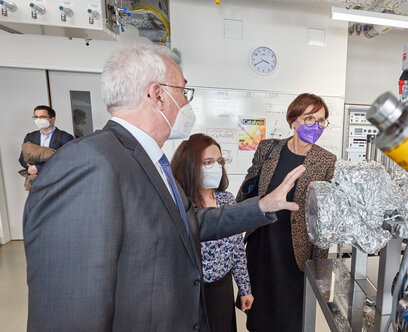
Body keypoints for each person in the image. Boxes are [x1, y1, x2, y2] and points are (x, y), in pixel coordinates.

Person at [22, 45, 305, 332]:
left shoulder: (150, 160)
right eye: (183, 90)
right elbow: (69, 302)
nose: (186, 101)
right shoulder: (90, 161)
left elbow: (189, 223)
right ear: (157, 94)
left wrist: (263, 205)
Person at [239, 93, 337, 331]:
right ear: (293, 120)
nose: (316, 125)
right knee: (260, 315)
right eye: (309, 118)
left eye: (322, 120)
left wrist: (319, 271)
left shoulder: (326, 160)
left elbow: (322, 220)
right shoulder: (268, 148)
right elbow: (248, 188)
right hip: (262, 243)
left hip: (296, 251)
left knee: (291, 316)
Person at [171, 134, 253, 332]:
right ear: (190, 165)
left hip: (222, 289)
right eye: (208, 162)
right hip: (189, 293)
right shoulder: (179, 204)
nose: (216, 167)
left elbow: (237, 249)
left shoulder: (226, 200)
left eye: (219, 161)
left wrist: (245, 289)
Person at [18, 105, 74, 174]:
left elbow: (67, 160)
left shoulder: (65, 137)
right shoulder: (30, 136)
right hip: (36, 180)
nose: (38, 120)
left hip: (57, 178)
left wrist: (38, 168)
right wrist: (31, 168)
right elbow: (22, 158)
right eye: (36, 117)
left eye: (42, 117)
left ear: (52, 119)